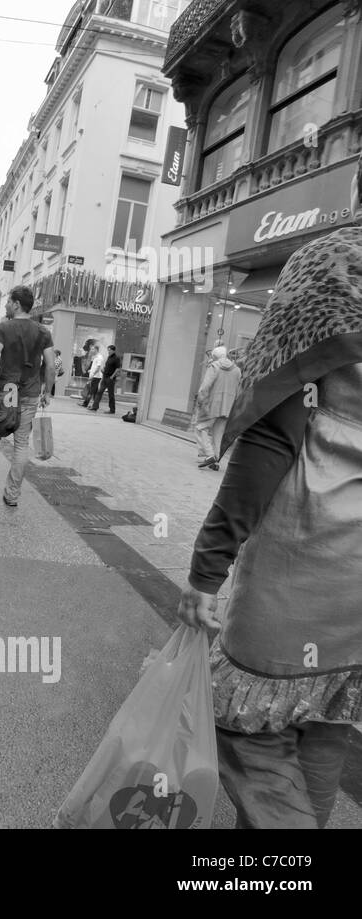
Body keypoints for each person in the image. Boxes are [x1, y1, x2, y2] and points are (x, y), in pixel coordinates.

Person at [178, 156, 362, 828]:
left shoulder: (332, 269)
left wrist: (207, 566)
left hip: (298, 579)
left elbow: (273, 436)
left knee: (255, 744)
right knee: (322, 740)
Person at [0, 285, 55, 507]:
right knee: (21, 445)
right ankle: (12, 495)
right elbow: (51, 365)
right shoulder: (44, 332)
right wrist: (47, 391)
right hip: (30, 394)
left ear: (17, 304)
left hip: (4, 393)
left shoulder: (4, 328)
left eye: (8, 301)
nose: (6, 305)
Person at [194, 345, 241, 470]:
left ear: (215, 357)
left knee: (200, 428)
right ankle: (216, 461)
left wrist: (201, 400)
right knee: (218, 434)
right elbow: (239, 390)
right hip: (228, 406)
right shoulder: (237, 370)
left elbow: (205, 387)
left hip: (212, 405)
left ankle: (210, 455)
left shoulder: (214, 367)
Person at [91, 344, 120, 413]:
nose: (108, 351)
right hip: (104, 377)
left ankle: (112, 410)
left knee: (111, 394)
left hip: (110, 379)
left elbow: (117, 369)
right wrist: (103, 370)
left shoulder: (116, 358)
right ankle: (95, 407)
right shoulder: (109, 357)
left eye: (110, 350)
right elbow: (107, 366)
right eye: (108, 350)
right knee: (99, 392)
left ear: (113, 350)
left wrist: (112, 377)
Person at [80, 343, 104, 407]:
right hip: (95, 376)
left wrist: (92, 375)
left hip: (96, 377)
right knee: (95, 392)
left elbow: (98, 368)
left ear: (96, 350)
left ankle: (86, 404)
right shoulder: (96, 357)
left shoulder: (99, 357)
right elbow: (95, 367)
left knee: (91, 391)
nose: (91, 350)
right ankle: (95, 405)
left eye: (92, 349)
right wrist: (90, 370)